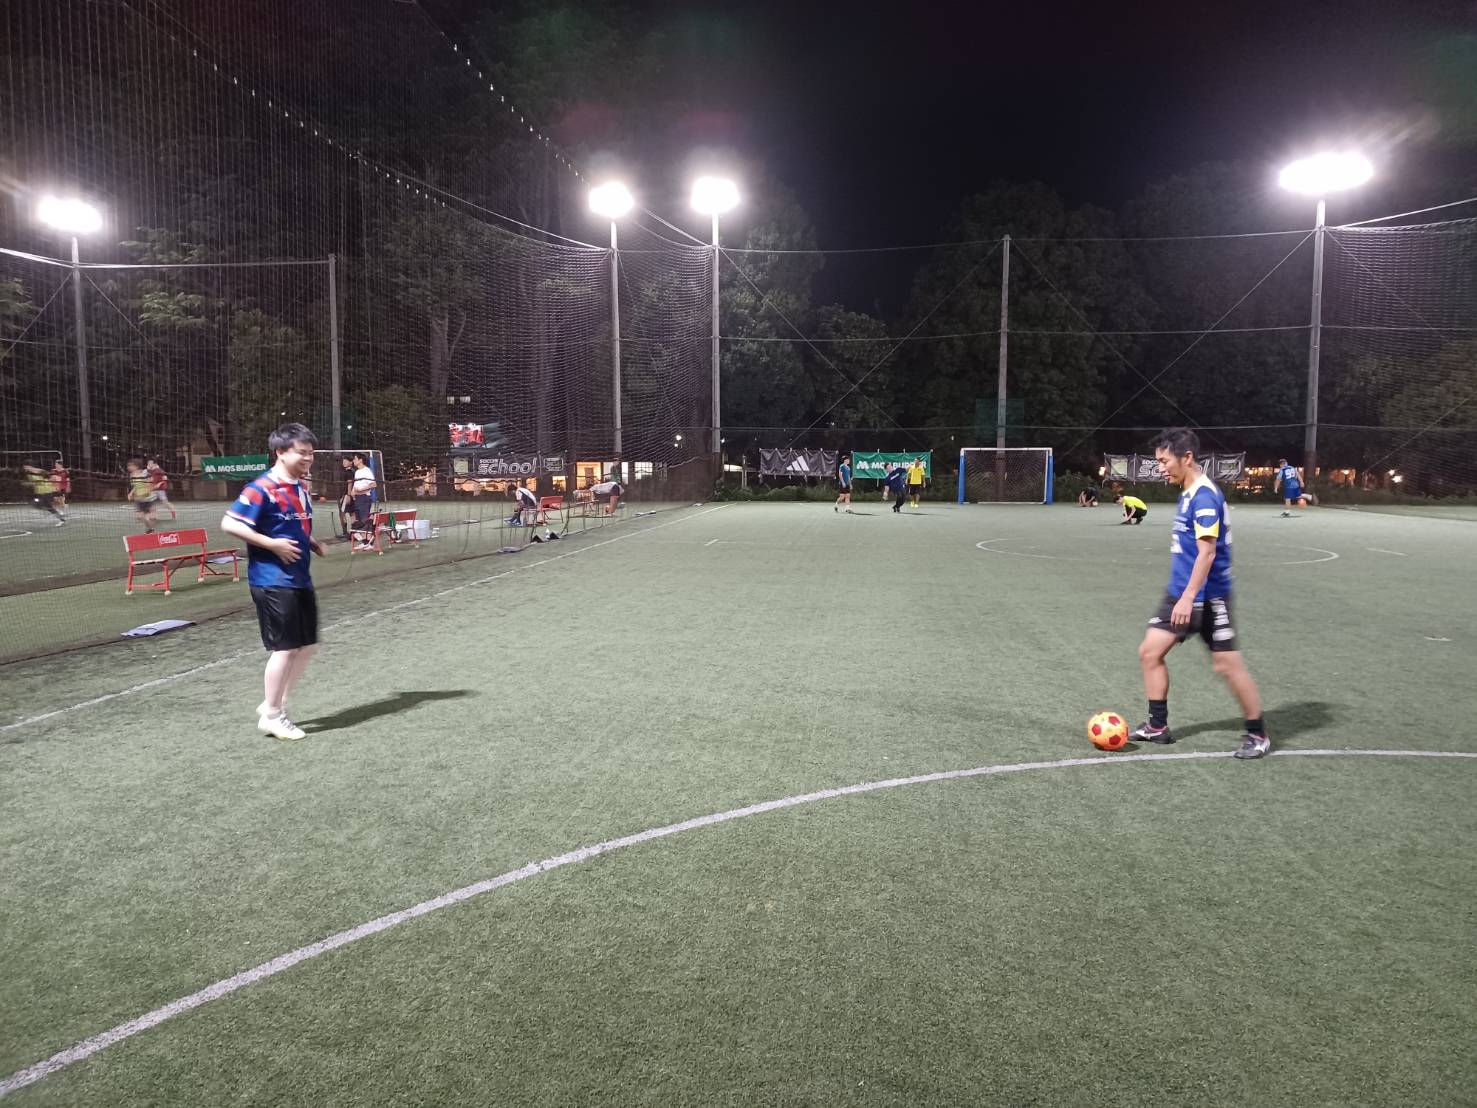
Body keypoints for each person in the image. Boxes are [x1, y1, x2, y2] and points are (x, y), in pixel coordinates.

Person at [1130, 427, 1269, 759]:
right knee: (1150, 652)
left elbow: (1207, 553)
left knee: (1227, 665)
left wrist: (1189, 597)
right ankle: (1157, 727)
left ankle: (1257, 733)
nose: (1160, 468)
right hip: (1180, 593)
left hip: (1209, 597)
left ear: (1187, 457)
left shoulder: (1204, 496)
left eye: (1164, 461)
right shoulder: (1189, 492)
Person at [220, 423, 327, 742]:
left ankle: (274, 701)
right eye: (302, 452)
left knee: (307, 645)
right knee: (286, 648)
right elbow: (229, 523)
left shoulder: (301, 487)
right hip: (272, 580)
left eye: (311, 453)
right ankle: (272, 715)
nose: (308, 458)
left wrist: (310, 542)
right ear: (280, 452)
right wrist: (272, 545)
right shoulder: (261, 487)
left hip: (299, 577)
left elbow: (291, 525)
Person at [22, 461, 66, 526]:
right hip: (39, 492)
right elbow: (24, 483)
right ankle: (61, 518)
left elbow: (53, 477)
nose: (24, 468)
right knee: (44, 506)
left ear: (29, 466)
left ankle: (59, 515)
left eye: (25, 467)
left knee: (39, 505)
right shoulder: (28, 474)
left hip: (47, 491)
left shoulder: (41, 471)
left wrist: (54, 484)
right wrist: (32, 484)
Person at [349, 453, 377, 549]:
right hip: (357, 499)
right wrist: (353, 492)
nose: (353, 461)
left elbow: (373, 484)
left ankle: (370, 543)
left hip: (364, 498)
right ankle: (365, 542)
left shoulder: (367, 470)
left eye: (355, 459)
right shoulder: (357, 472)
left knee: (365, 520)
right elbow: (356, 484)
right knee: (360, 521)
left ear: (360, 460)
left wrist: (361, 489)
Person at [126, 459, 159, 532]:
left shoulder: (144, 474)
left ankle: (152, 521)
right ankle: (151, 529)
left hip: (148, 498)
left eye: (131, 465)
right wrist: (131, 493)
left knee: (149, 517)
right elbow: (136, 486)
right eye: (128, 465)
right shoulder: (132, 475)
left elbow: (150, 486)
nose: (129, 467)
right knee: (140, 517)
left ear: (136, 466)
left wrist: (145, 494)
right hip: (139, 499)